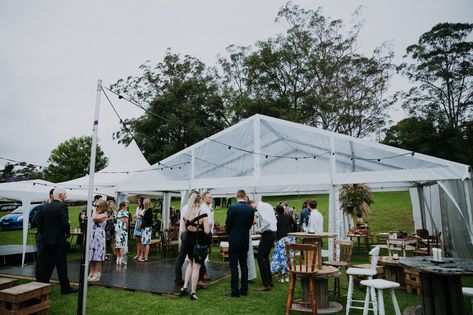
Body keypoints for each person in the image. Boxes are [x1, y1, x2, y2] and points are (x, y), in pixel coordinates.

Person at [34, 187, 78, 294]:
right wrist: (67, 233)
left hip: (45, 240)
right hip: (58, 240)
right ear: (61, 195)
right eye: (65, 194)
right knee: (61, 265)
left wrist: (44, 231)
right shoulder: (62, 206)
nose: (66, 196)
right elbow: (64, 223)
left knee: (45, 263)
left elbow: (35, 222)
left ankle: (41, 285)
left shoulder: (43, 207)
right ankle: (65, 287)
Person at [179, 193, 210, 300]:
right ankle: (193, 292)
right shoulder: (203, 213)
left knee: (190, 264)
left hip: (188, 241)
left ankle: (184, 287)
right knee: (196, 267)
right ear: (200, 201)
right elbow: (207, 231)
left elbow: (183, 230)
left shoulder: (186, 214)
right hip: (198, 242)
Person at [225, 189, 255, 298]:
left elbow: (228, 224)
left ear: (236, 196)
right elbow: (250, 225)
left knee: (234, 265)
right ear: (244, 196)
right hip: (244, 239)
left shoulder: (232, 208)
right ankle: (244, 290)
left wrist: (230, 233)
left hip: (234, 239)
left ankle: (235, 291)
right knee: (244, 264)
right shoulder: (250, 209)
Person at [251, 201, 277, 291]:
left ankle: (266, 284)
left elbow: (267, 221)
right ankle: (269, 281)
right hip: (273, 232)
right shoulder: (267, 205)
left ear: (252, 204)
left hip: (268, 233)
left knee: (260, 257)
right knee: (265, 258)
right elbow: (273, 219)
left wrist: (260, 229)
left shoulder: (260, 207)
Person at [174, 191, 197, 286]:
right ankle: (197, 277)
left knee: (181, 257)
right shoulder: (193, 208)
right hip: (190, 234)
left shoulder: (184, 208)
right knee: (193, 258)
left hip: (184, 234)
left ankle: (178, 278)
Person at [271, 204, 297, 282]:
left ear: (276, 211)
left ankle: (283, 273)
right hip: (290, 238)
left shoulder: (275, 218)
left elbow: (274, 229)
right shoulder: (288, 216)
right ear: (283, 210)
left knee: (281, 257)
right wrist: (293, 232)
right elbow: (295, 225)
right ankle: (289, 271)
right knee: (290, 255)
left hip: (281, 239)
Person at [88, 199, 108, 282]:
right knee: (92, 255)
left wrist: (93, 210)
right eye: (95, 205)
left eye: (98, 206)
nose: (96, 207)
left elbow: (94, 218)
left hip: (99, 236)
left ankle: (97, 273)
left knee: (97, 255)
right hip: (92, 235)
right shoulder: (96, 213)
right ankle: (91, 272)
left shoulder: (104, 215)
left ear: (102, 206)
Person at [198, 191, 214, 284]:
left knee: (205, 253)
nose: (210, 198)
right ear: (204, 198)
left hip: (208, 233)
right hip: (204, 234)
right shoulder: (202, 208)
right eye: (209, 197)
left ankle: (203, 272)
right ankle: (202, 274)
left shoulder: (209, 208)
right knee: (203, 254)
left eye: (211, 197)